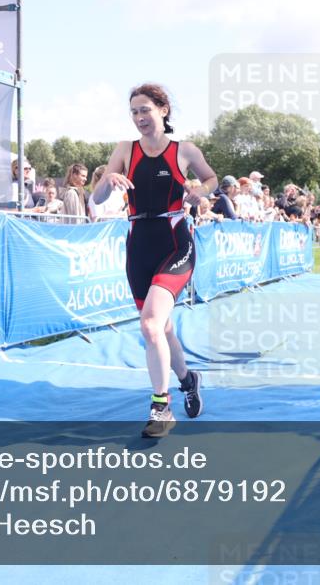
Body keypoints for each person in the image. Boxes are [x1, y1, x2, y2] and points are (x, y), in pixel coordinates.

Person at [91, 83, 217, 438]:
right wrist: (108, 178)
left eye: (145, 110)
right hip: (138, 247)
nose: (139, 118)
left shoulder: (184, 149)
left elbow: (210, 179)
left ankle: (161, 408)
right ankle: (188, 379)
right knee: (161, 329)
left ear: (163, 109)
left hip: (176, 243)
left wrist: (200, 192)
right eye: (134, 112)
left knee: (149, 325)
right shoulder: (124, 150)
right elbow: (97, 198)